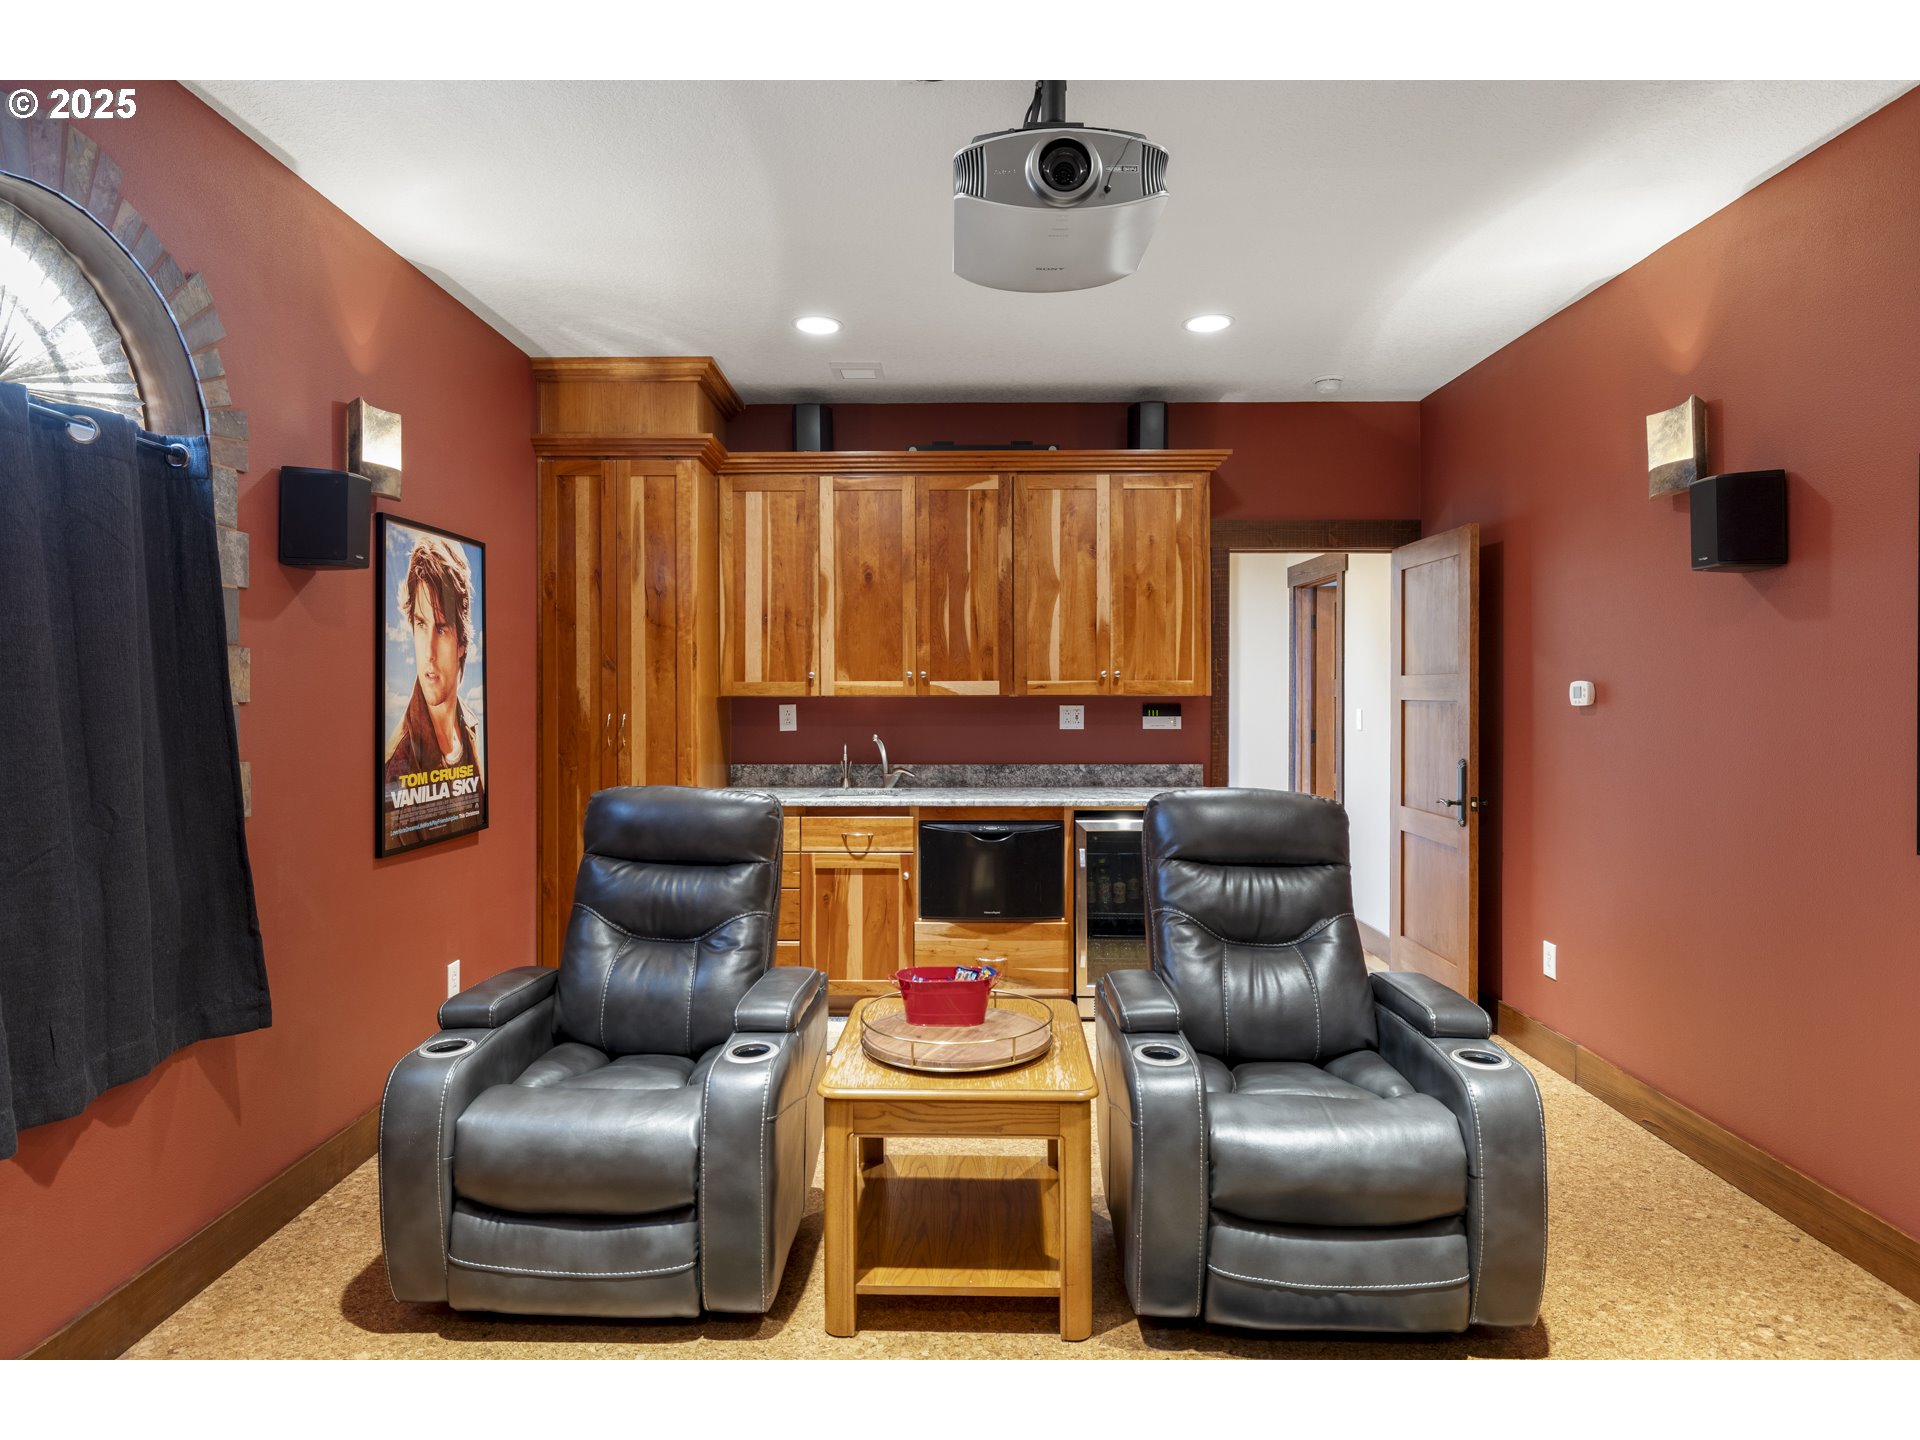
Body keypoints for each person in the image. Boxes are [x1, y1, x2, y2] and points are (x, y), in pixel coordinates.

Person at [383, 533, 484, 849]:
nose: (427, 651)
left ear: (462, 642)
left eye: (441, 628)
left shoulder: (469, 728)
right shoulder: (397, 762)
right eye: (420, 624)